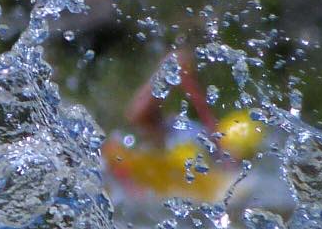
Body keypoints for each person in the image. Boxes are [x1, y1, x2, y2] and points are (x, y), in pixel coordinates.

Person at [103, 50, 264, 204]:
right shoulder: (191, 134)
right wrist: (165, 75)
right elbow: (139, 115)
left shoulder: (233, 178)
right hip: (140, 179)